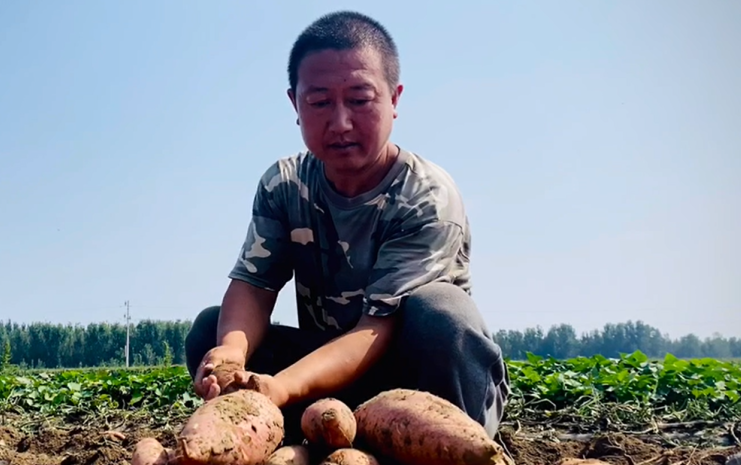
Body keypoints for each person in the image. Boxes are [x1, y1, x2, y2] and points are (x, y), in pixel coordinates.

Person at [184, 10, 510, 440]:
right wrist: (231, 352)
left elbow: (376, 330)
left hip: (415, 378)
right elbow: (254, 286)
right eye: (319, 103)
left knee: (441, 314)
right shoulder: (285, 185)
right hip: (326, 373)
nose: (340, 123)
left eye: (360, 99)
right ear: (294, 105)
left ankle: (451, 446)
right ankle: (313, 438)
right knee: (212, 330)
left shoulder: (426, 195)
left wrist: (280, 386)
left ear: (394, 99)